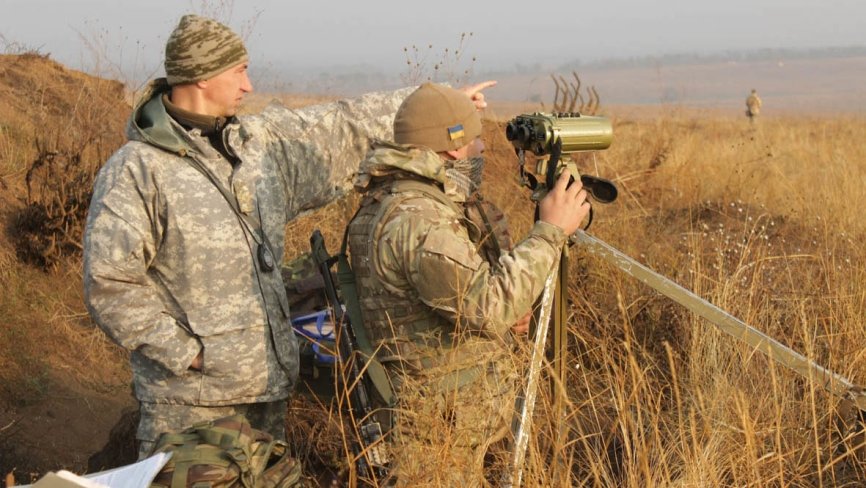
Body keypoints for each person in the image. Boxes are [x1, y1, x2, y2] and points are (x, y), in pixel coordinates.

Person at [82, 14, 493, 459]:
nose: (249, 85)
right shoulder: (137, 171)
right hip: (187, 407)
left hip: (267, 394)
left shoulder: (257, 146)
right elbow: (109, 284)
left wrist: (441, 106)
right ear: (202, 76)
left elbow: (339, 125)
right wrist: (186, 354)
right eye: (239, 71)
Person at [346, 83, 590, 485]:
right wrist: (551, 230)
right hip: (433, 434)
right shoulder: (418, 219)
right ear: (454, 148)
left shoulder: (396, 198)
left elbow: (449, 301)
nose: (481, 150)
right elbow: (491, 306)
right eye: (476, 139)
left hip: (437, 420)